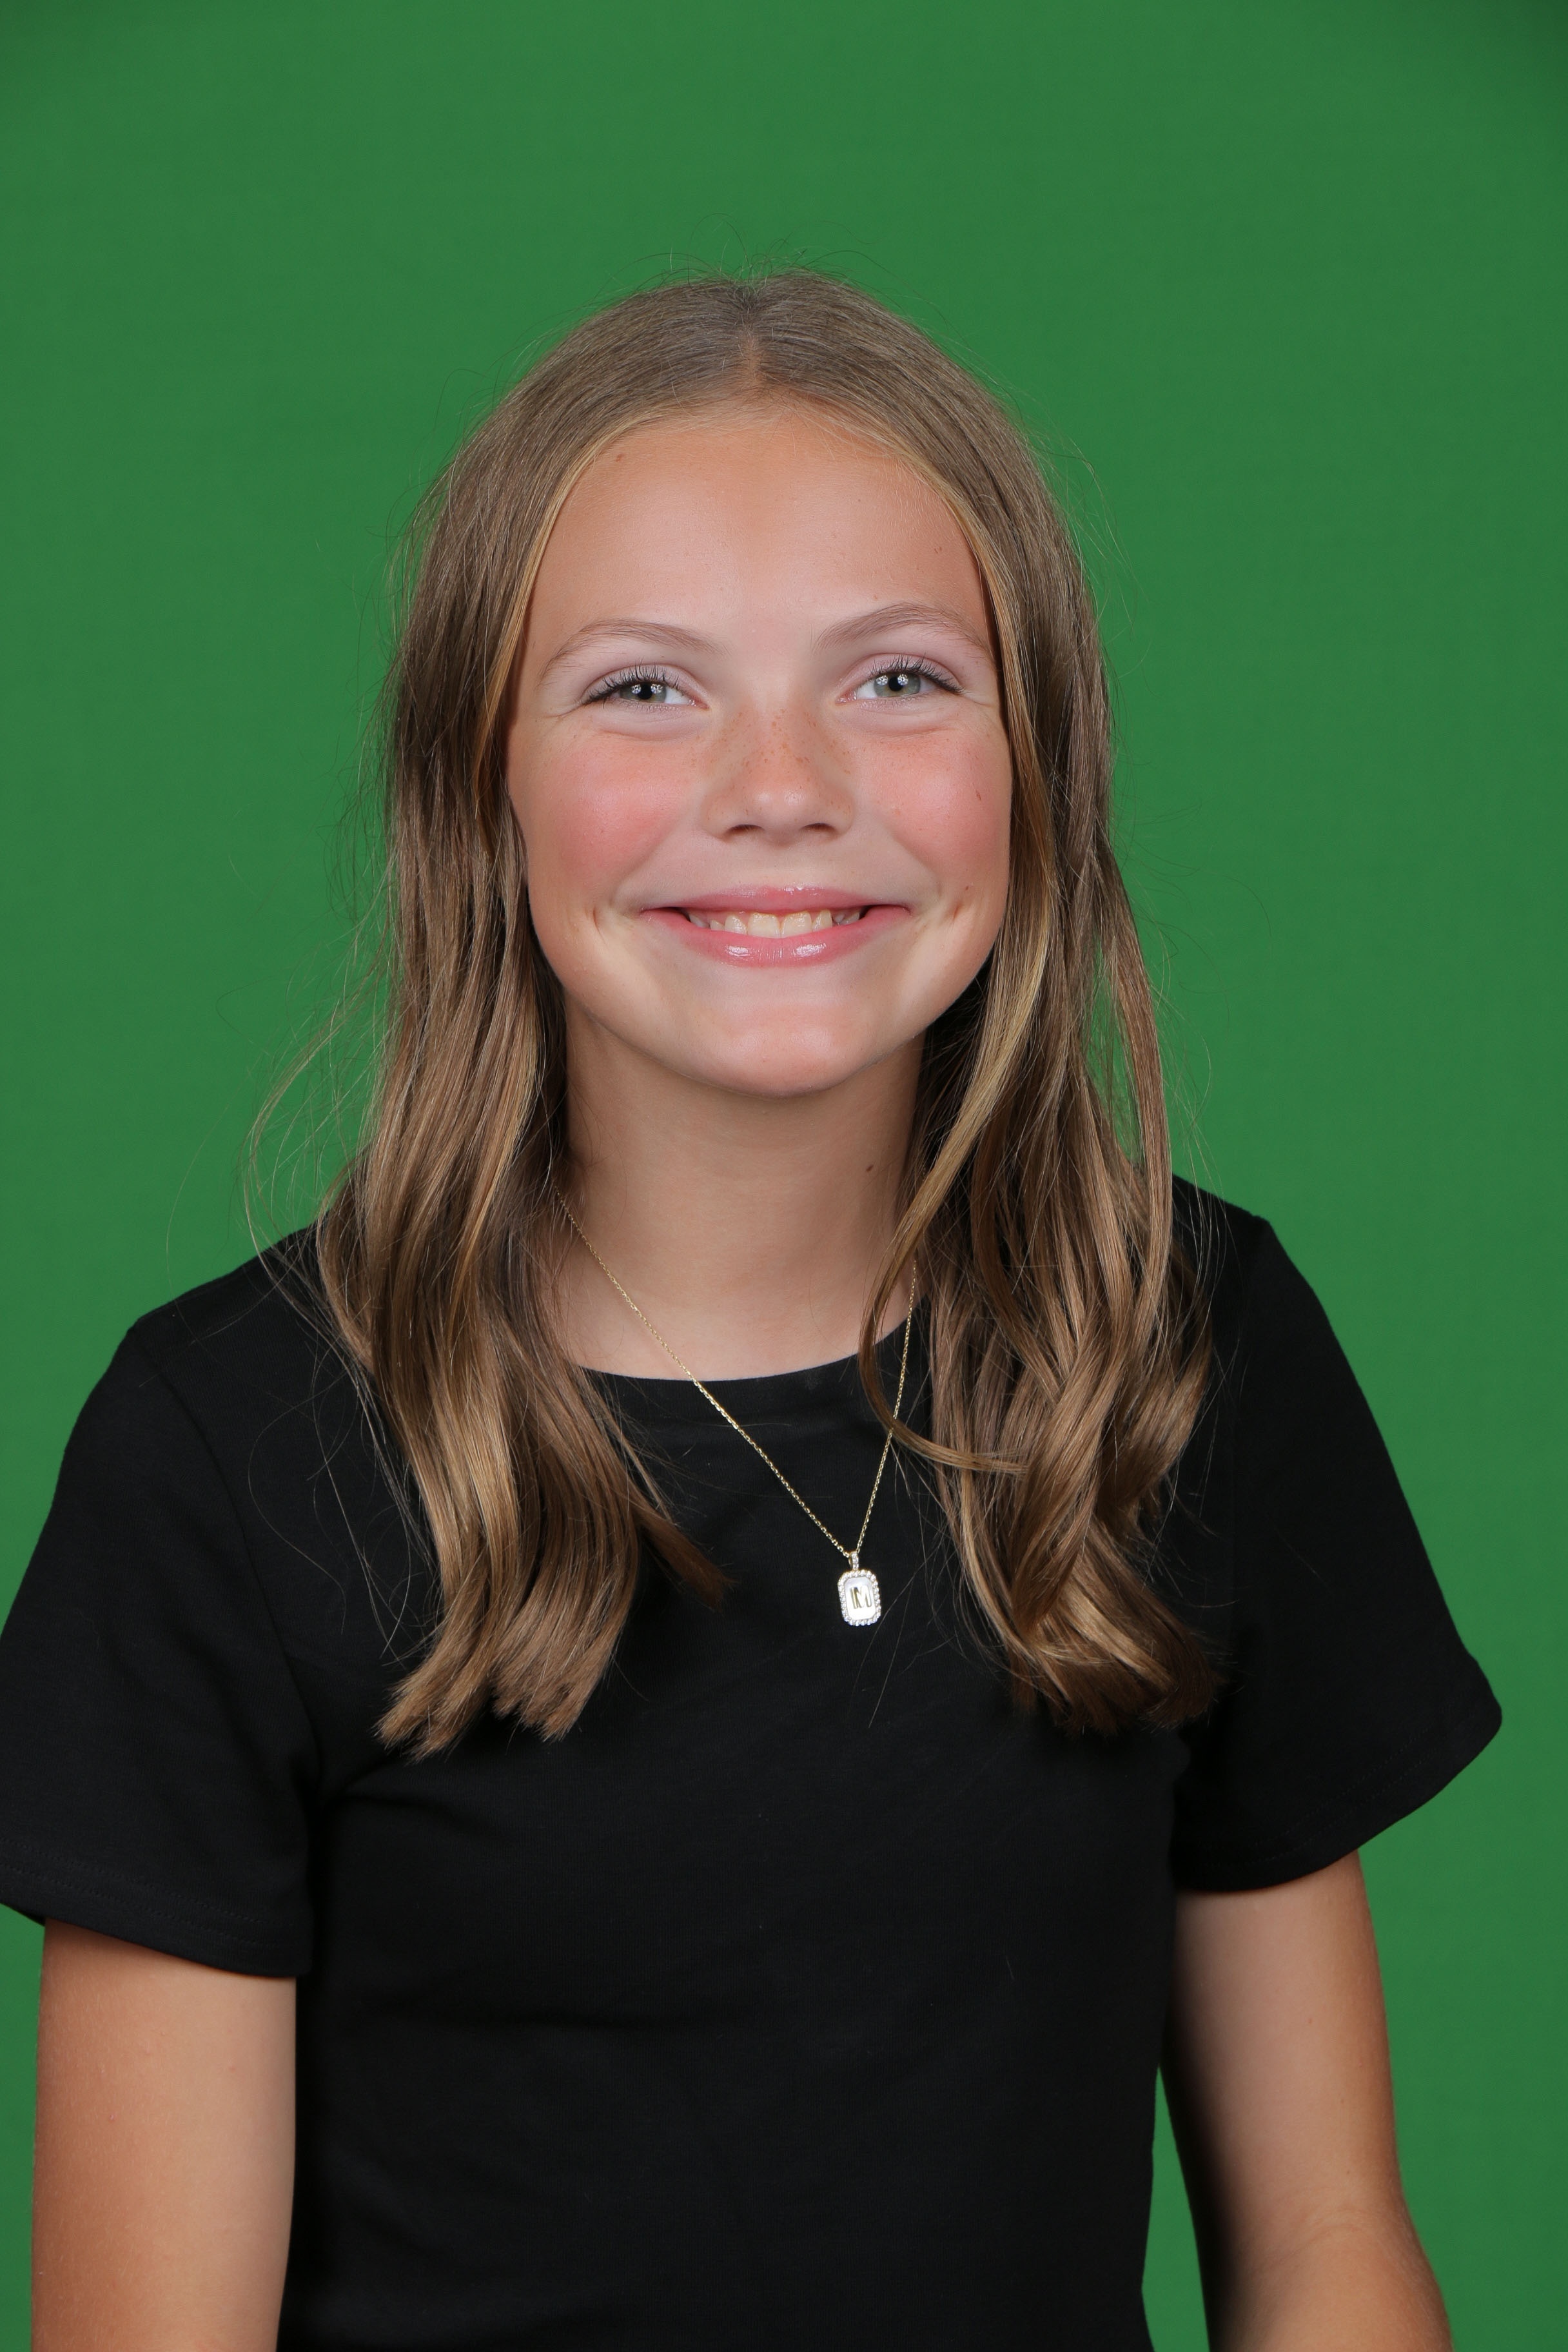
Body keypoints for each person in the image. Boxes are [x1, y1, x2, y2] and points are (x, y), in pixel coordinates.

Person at [0, 271, 1498, 2352]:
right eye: (643, 689)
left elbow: (1328, 2237)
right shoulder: (229, 1451)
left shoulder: (1185, 1344)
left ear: (1037, 766)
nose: (781, 783)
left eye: (898, 679)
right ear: (478, 785)